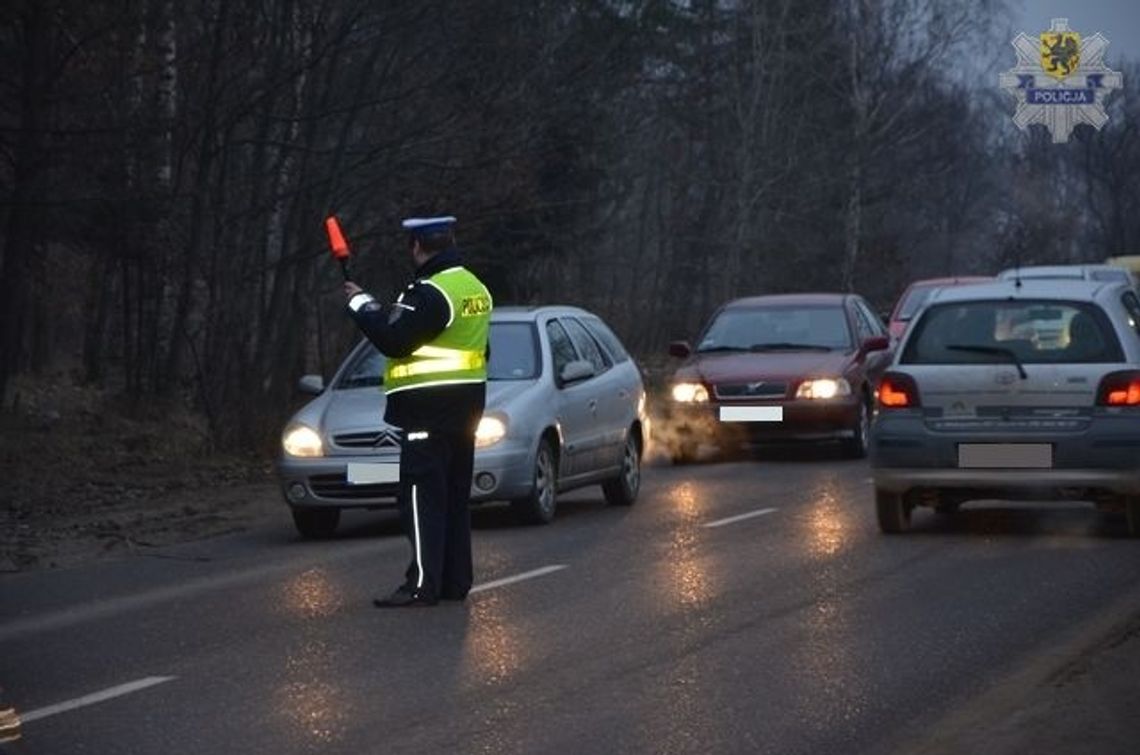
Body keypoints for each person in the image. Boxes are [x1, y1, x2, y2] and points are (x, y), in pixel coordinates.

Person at [343, 215, 492, 608]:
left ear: (417, 247)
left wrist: (361, 304)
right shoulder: (473, 286)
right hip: (466, 408)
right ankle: (454, 581)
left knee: (420, 496)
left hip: (428, 411)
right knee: (454, 497)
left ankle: (421, 584)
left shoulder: (430, 292)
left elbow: (395, 340)